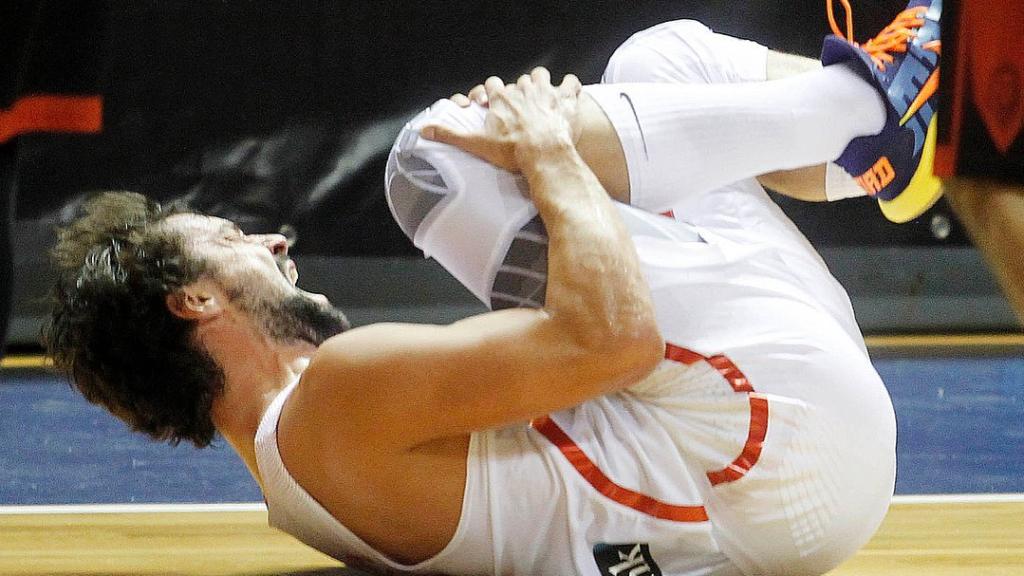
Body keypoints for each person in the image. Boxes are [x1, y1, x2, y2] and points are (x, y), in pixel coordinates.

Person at [45, 3, 942, 573]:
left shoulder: (302, 479)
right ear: (193, 302)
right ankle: (874, 109)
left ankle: (878, 143)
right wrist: (550, 153)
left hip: (782, 468)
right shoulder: (331, 403)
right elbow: (615, 341)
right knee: (435, 158)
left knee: (664, 63)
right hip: (771, 445)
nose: (275, 239)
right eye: (232, 240)